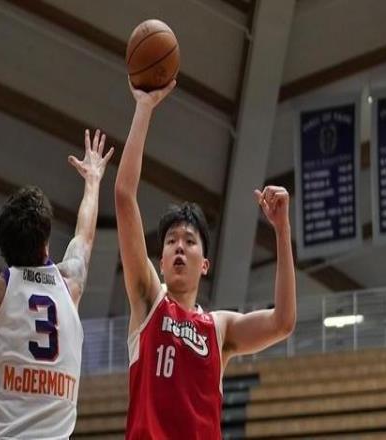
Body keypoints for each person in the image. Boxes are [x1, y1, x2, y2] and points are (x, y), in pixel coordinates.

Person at [115, 81, 296, 439]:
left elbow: (283, 322)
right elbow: (124, 196)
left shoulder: (219, 328)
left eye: (189, 241)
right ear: (161, 262)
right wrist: (144, 107)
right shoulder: (149, 301)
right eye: (171, 242)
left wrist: (281, 230)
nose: (179, 247)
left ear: (205, 265)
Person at [0, 129, 113, 439]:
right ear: (45, 243)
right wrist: (93, 181)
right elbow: (84, 236)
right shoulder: (70, 283)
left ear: (4, 250)